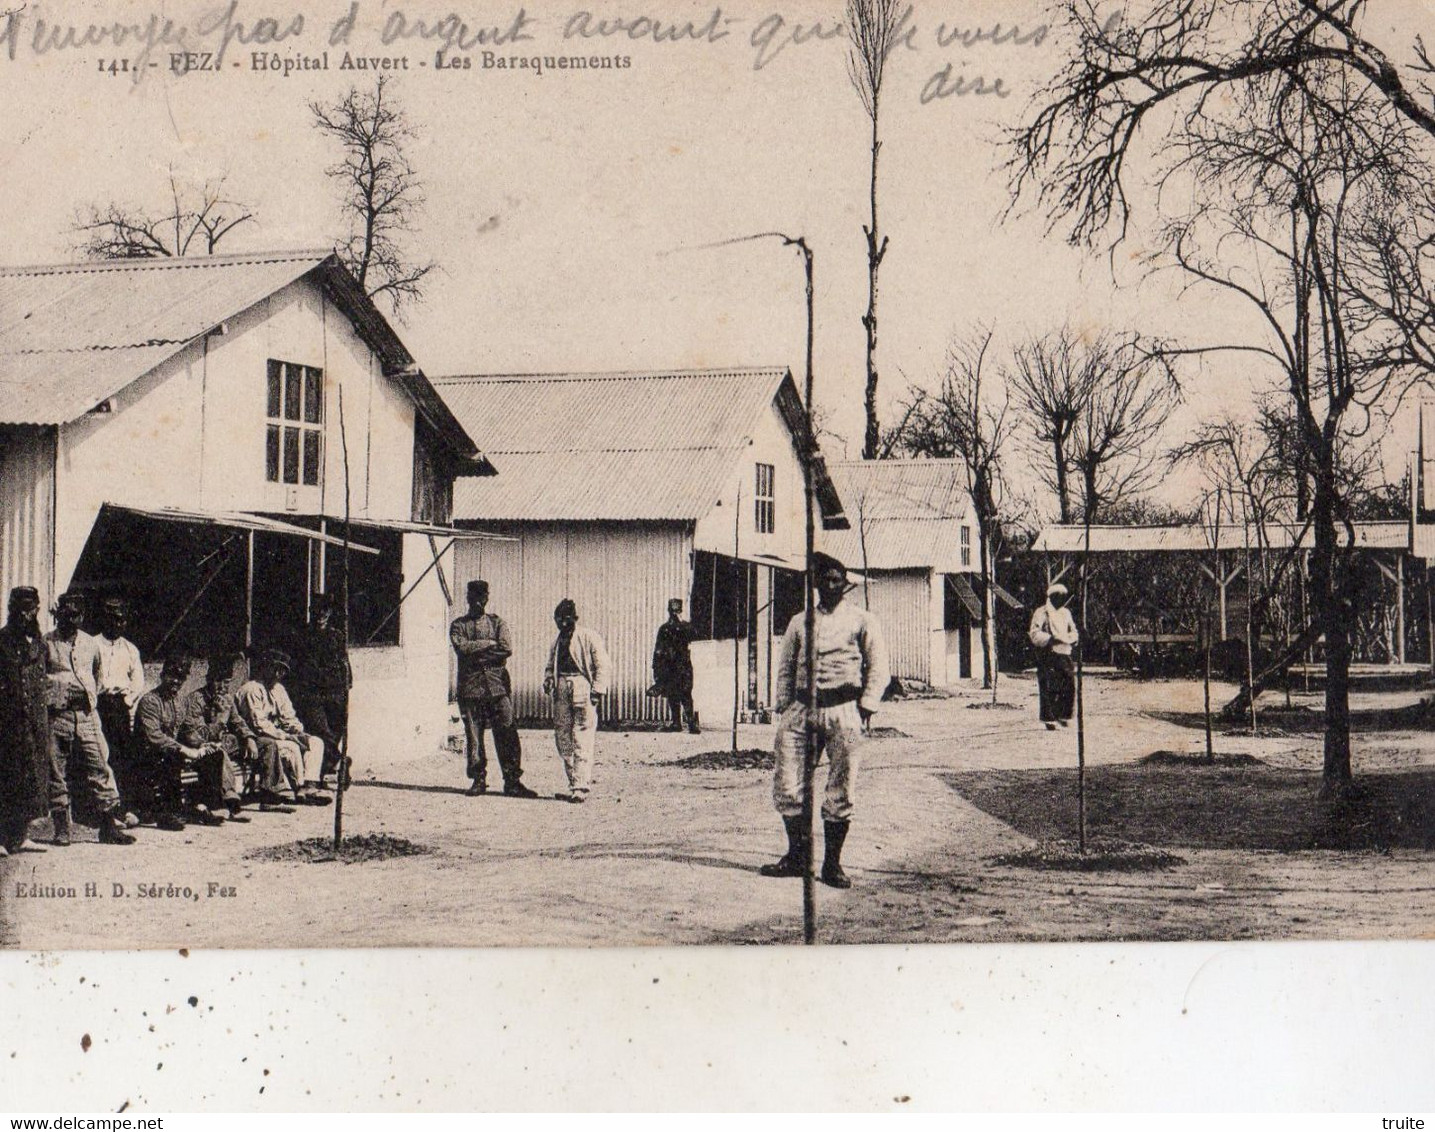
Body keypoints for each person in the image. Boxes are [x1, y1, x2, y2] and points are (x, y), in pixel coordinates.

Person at [761, 552, 889, 890]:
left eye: (837, 581)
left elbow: (878, 667)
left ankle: (832, 864)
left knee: (841, 788)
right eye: (825, 580)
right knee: (788, 784)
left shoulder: (862, 620)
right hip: (802, 711)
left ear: (845, 585)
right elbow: (786, 668)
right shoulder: (798, 622)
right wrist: (785, 707)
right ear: (816, 584)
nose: (831, 586)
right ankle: (797, 857)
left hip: (844, 709)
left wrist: (866, 707)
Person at [44, 590, 133, 845]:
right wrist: (59, 693)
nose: (71, 620)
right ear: (58, 614)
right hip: (58, 715)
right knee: (56, 769)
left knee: (99, 765)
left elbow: (98, 678)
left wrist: (88, 698)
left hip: (86, 715)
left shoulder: (90, 644)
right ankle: (62, 828)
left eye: (77, 615)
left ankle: (108, 826)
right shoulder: (46, 643)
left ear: (82, 617)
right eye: (67, 614)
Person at [450, 580, 536, 798]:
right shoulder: (459, 625)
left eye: (483, 597)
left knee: (507, 732)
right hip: (470, 689)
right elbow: (462, 648)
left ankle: (512, 781)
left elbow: (506, 648)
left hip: (497, 687)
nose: (479, 602)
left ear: (487, 598)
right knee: (474, 736)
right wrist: (489, 644)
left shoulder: (498, 623)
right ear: (468, 598)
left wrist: (477, 654)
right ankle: (478, 780)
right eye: (474, 597)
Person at [133, 654, 224, 830]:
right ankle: (169, 812)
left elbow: (187, 729)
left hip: (171, 750)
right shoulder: (150, 701)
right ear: (162, 676)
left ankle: (199, 805)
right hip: (146, 755)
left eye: (180, 678)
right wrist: (184, 749)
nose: (176, 681)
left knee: (213, 756)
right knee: (172, 757)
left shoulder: (180, 701)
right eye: (172, 676)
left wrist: (200, 744)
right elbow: (154, 737)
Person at [236, 648, 330, 807]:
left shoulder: (278, 689)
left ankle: (309, 785)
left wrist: (298, 731)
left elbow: (288, 716)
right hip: (256, 738)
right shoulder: (252, 689)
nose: (279, 674)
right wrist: (286, 736)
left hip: (279, 734)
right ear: (265, 667)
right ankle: (299, 787)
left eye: (283, 671)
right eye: (275, 668)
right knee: (291, 747)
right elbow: (258, 724)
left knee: (315, 742)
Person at [0, 587, 54, 856]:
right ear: (13, 609)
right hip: (8, 721)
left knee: (31, 778)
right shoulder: (3, 640)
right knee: (7, 778)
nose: (26, 614)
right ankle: (1, 839)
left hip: (34, 721)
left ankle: (21, 836)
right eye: (21, 608)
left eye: (31, 608)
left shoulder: (38, 641)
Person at [178, 653, 260, 823]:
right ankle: (231, 804)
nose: (222, 686)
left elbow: (238, 722)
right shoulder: (196, 700)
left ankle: (272, 793)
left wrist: (249, 738)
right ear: (209, 680)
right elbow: (195, 736)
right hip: (198, 749)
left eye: (227, 682)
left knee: (266, 744)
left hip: (221, 744)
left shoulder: (227, 699)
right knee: (219, 754)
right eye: (218, 681)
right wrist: (221, 719)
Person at [543, 599, 610, 804]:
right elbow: (550, 664)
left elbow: (602, 665)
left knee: (582, 734)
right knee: (562, 735)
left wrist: (597, 690)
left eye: (567, 620)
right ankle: (574, 782)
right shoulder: (557, 641)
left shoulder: (589, 637)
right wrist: (548, 679)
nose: (563, 624)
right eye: (559, 620)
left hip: (582, 685)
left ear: (575, 619)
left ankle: (581, 786)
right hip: (562, 685)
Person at [94, 596, 145, 823]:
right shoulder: (92, 644)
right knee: (100, 757)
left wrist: (128, 700)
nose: (118, 624)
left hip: (121, 707)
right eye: (113, 619)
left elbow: (138, 680)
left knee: (122, 757)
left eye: (122, 620)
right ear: (105, 619)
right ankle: (103, 812)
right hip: (99, 705)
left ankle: (125, 808)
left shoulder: (130, 649)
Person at [293, 593, 352, 790]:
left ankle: (326, 771)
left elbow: (344, 662)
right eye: (316, 612)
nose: (320, 616)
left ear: (330, 613)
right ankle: (341, 760)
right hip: (312, 692)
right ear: (311, 613)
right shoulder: (303, 634)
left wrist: (347, 686)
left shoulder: (337, 636)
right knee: (320, 731)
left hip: (334, 692)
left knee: (335, 733)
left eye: (324, 612)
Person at [1029, 582, 1079, 730]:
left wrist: (1072, 638)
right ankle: (1049, 719)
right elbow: (1034, 633)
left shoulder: (1066, 613)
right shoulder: (1041, 612)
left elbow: (1074, 630)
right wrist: (1050, 639)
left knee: (1069, 684)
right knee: (1049, 686)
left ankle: (1064, 715)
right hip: (1048, 653)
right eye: (1059, 597)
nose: (1062, 601)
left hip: (1064, 652)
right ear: (1052, 597)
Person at [651, 598, 700, 734]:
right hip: (674, 666)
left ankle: (688, 724)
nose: (674, 613)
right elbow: (658, 649)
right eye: (673, 611)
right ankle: (680, 723)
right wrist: (656, 667)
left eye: (676, 611)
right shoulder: (668, 628)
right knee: (677, 693)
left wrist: (656, 666)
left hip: (680, 665)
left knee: (684, 693)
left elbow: (694, 635)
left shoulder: (679, 627)